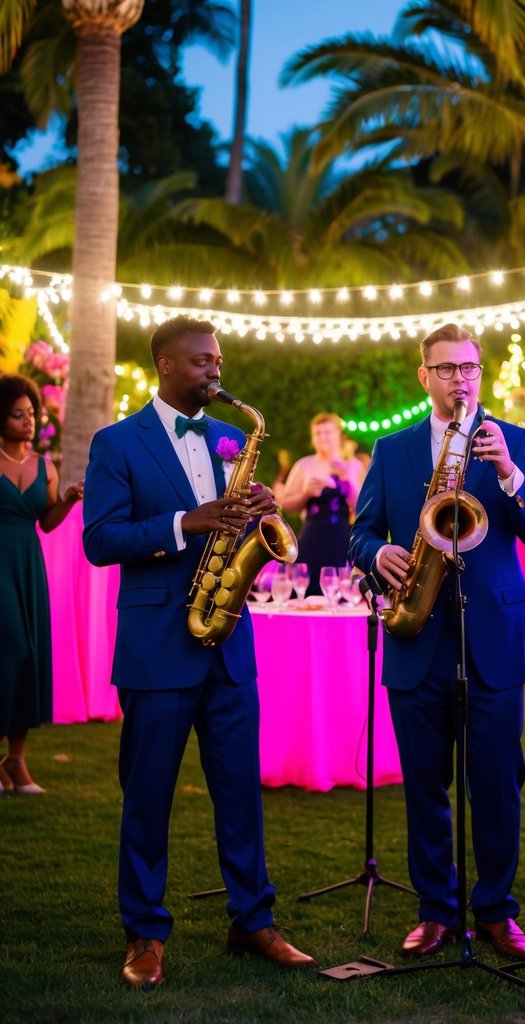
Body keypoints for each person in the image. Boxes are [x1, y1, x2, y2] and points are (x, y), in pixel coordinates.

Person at [82, 316, 315, 989]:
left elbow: (248, 527)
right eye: (200, 362)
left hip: (228, 645)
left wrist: (263, 512)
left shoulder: (228, 438)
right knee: (148, 797)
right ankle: (145, 934)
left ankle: (252, 918)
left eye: (217, 360)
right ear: (163, 363)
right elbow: (101, 540)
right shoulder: (116, 442)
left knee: (240, 793)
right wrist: (188, 522)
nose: (215, 371)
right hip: (158, 648)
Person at [349, 322, 525, 960]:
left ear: (480, 373)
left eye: (468, 367)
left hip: (492, 638)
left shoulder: (514, 441)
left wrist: (511, 473)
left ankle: (495, 910)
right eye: (445, 369)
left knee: (497, 782)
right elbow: (360, 534)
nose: (459, 378)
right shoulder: (393, 449)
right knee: (424, 785)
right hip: (419, 638)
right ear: (425, 377)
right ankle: (436, 910)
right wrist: (377, 551)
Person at [0, 374, 84, 795]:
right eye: (18, 415)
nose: (28, 421)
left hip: (28, 567)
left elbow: (46, 525)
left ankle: (15, 759)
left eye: (31, 413)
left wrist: (67, 499)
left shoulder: (44, 466)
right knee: (9, 651)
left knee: (29, 655)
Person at [280, 412, 363, 596]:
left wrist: (347, 480)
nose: (322, 437)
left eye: (328, 432)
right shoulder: (305, 465)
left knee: (341, 593)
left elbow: (361, 508)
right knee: (306, 592)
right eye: (318, 433)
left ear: (339, 435)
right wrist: (306, 493)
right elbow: (286, 505)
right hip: (312, 537)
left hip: (342, 539)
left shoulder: (353, 465)